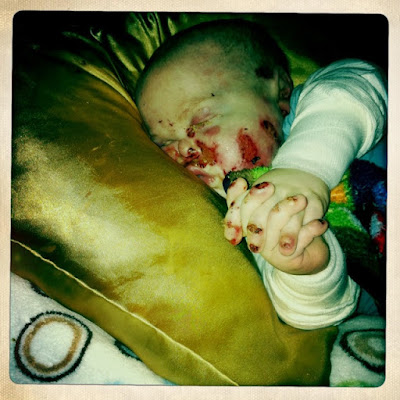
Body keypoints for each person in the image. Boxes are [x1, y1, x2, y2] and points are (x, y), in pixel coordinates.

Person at [135, 19, 387, 329]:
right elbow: (312, 315)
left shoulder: (308, 112)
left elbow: (359, 79)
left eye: (201, 120)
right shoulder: (240, 222)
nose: (183, 148)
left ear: (280, 92)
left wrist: (305, 167)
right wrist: (304, 270)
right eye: (165, 145)